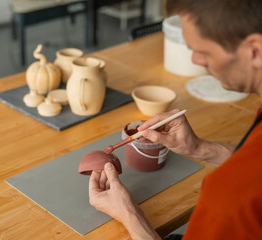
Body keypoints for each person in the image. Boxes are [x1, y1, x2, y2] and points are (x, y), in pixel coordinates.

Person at [88, 0, 262, 239]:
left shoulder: (227, 194)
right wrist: (199, 148)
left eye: (203, 51)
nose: (195, 61)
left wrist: (129, 214)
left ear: (255, 50)